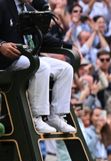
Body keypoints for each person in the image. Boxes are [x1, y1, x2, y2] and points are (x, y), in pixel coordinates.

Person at [0, 0, 77, 134]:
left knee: (66, 69)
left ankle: (56, 116)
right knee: (41, 67)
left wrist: (67, 45)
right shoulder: (3, 4)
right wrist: (1, 45)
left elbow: (41, 37)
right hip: (7, 60)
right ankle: (37, 117)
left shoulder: (29, 8)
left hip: (29, 57)